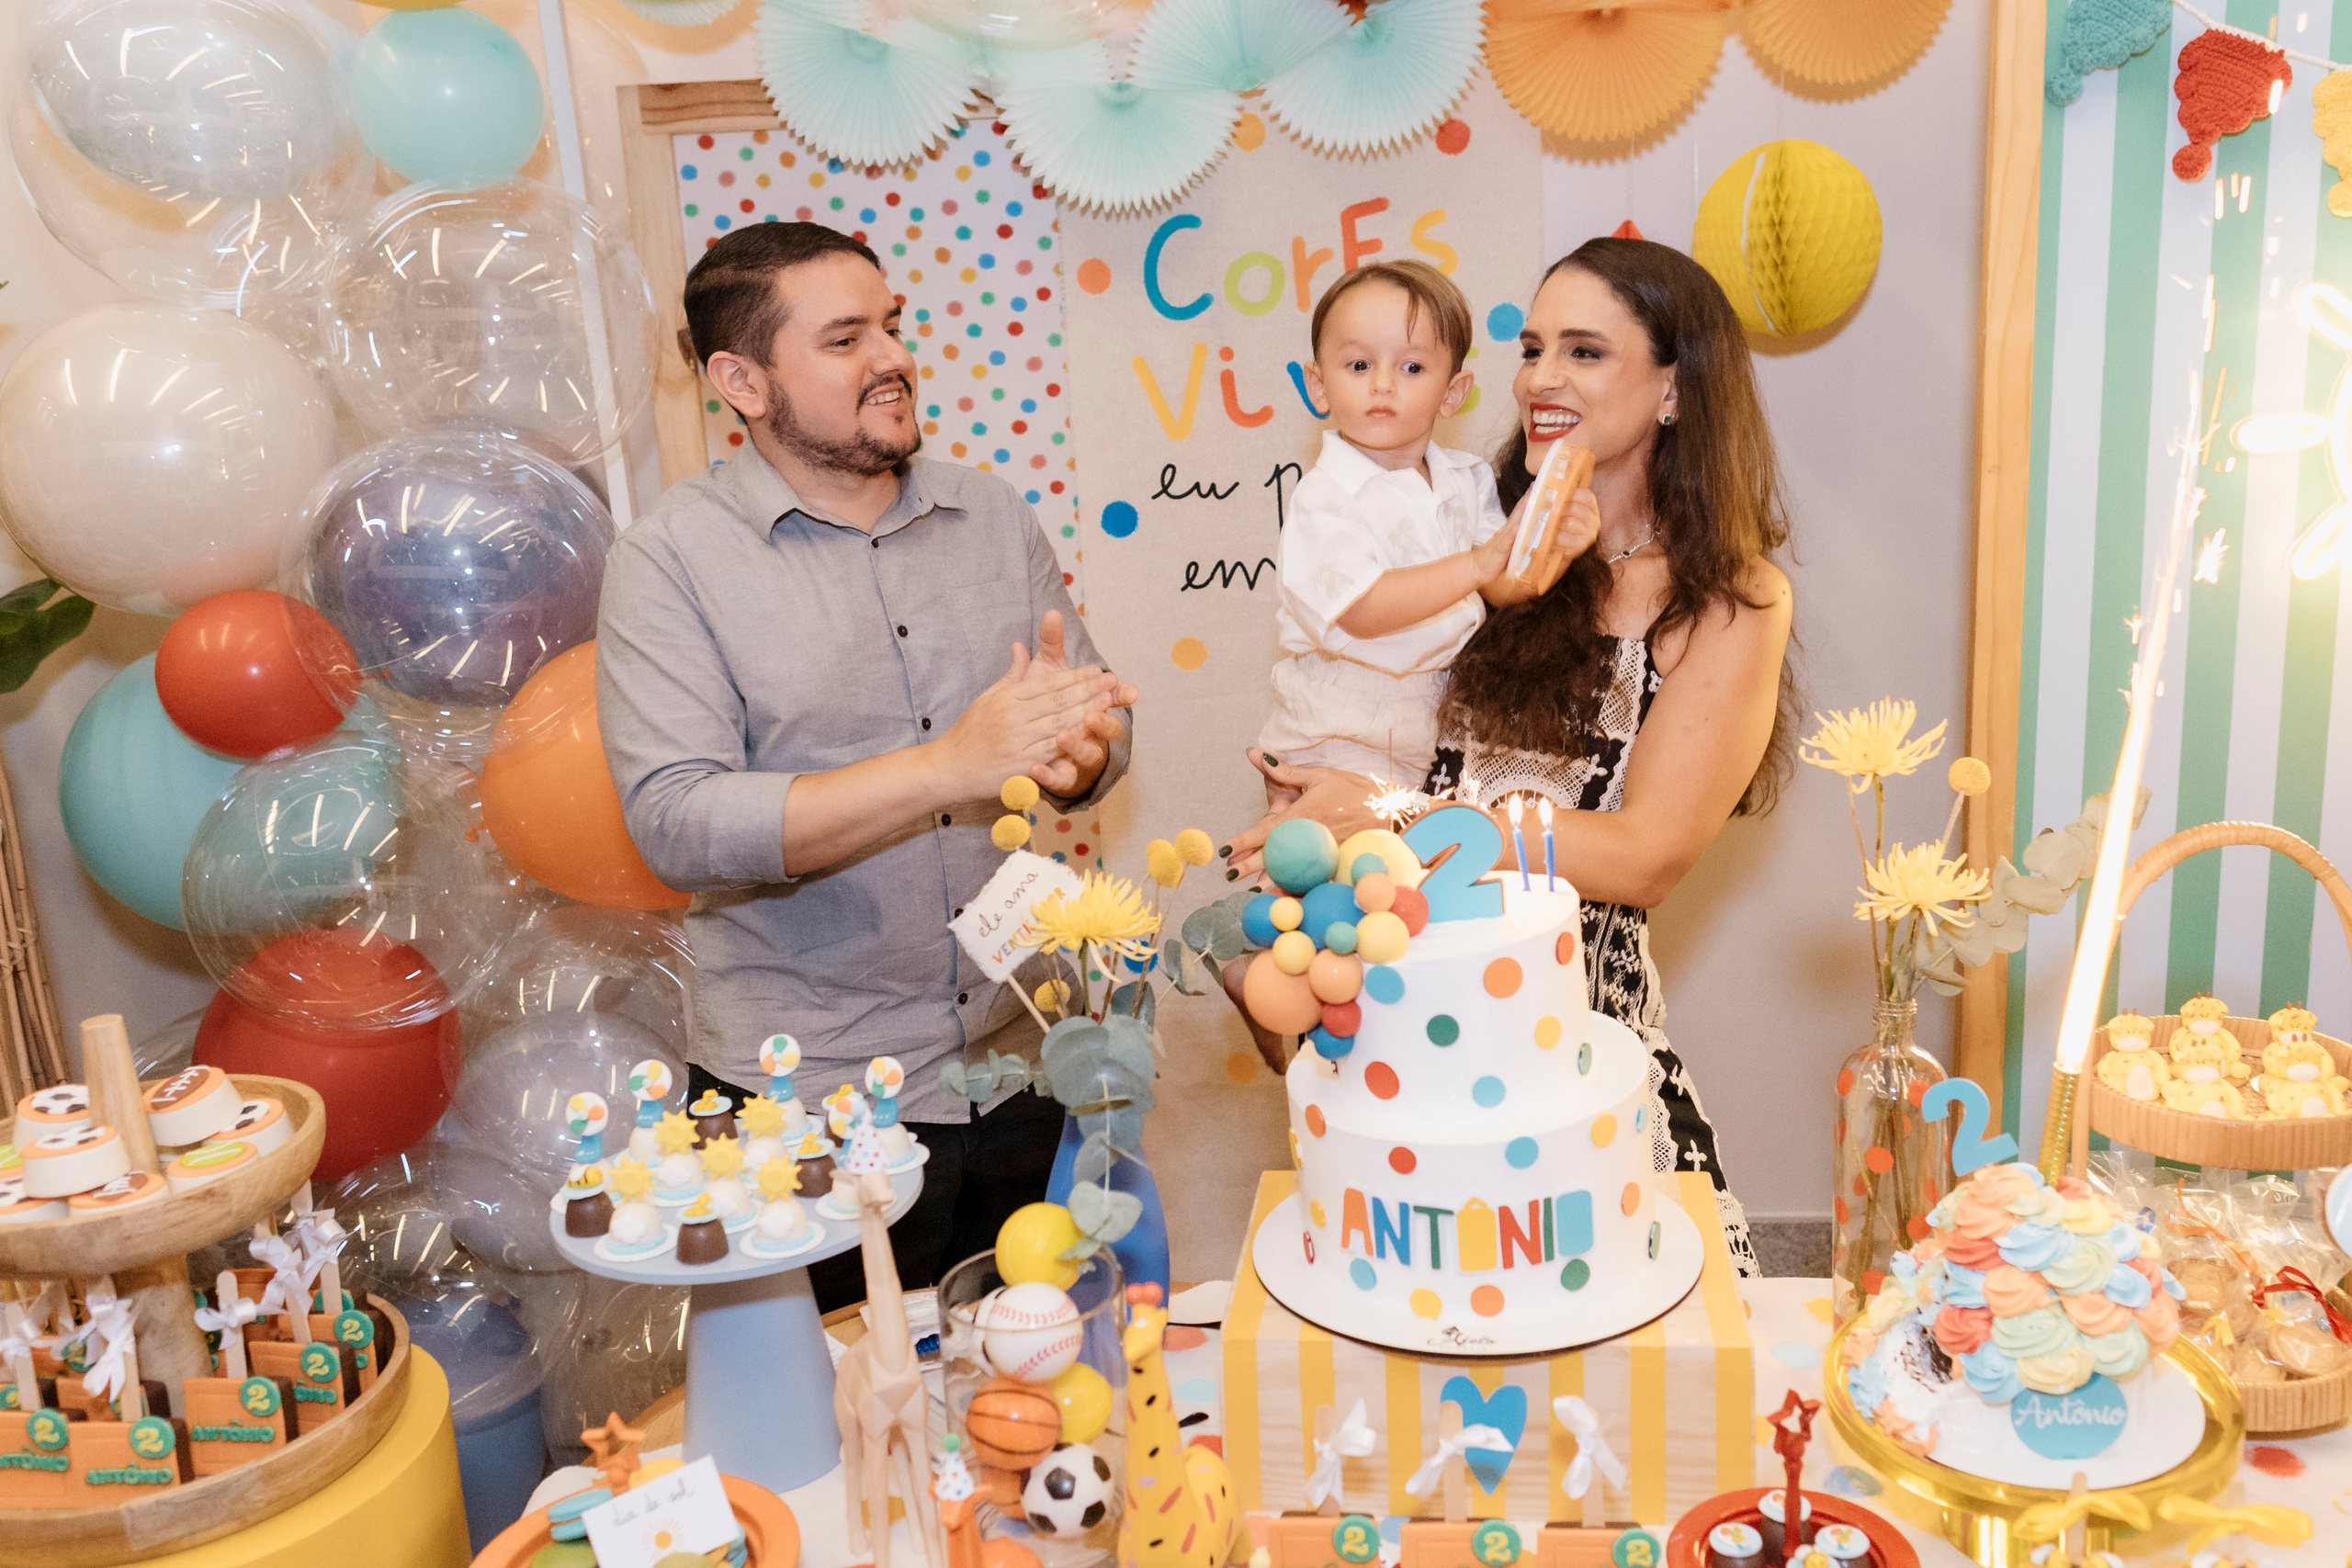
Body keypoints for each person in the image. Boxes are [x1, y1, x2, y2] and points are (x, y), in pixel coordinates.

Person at [1225, 237, 1796, 1275]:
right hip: (1399, 1036)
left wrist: (1402, 817)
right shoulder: (1478, 535)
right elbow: (1360, 695)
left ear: (1674, 388)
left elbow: (1645, 857)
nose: (1538, 379)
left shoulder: (1729, 600)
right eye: (1532, 348)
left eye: (1583, 352)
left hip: (1574, 1055)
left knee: (1639, 1391)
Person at [596, 221, 1136, 1307]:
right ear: (741, 381)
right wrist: (951, 765)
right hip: (805, 1103)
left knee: (1031, 1398)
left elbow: (1097, 727)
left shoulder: (991, 515)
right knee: (850, 1427)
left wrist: (1079, 752)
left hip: (1016, 1056)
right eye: (844, 338)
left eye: (891, 326)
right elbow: (678, 819)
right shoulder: (668, 560)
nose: (890, 357)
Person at [1256, 261, 1581, 787]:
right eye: (1359, 366)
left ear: (1453, 393)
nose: (1382, 384)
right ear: (1318, 385)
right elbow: (1363, 610)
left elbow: (1500, 587)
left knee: (1411, 865)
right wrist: (1475, 564)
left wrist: (1555, 546)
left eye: (1411, 368)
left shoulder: (1467, 478)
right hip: (1336, 731)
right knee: (1348, 864)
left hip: (1432, 724)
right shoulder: (1326, 496)